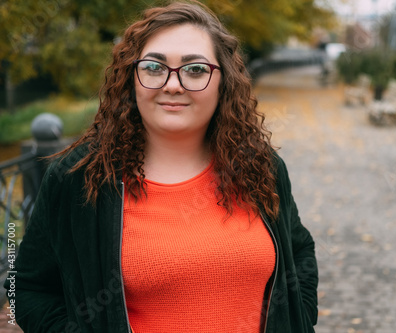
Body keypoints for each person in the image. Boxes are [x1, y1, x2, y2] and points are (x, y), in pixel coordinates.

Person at [5, 1, 318, 332]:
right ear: (132, 78)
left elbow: (298, 251)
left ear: (223, 81)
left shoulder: (260, 166)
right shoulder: (82, 178)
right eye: (154, 67)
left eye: (195, 69)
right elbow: (26, 288)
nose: (173, 84)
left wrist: (299, 317)